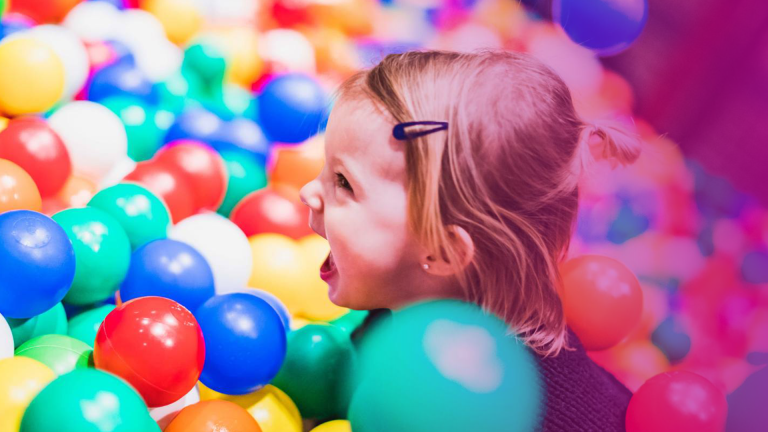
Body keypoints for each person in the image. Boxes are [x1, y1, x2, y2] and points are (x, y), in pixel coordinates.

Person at [299, 49, 641, 431]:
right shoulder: (401, 306)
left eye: (344, 182)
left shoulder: (493, 413)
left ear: (443, 251)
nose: (307, 191)